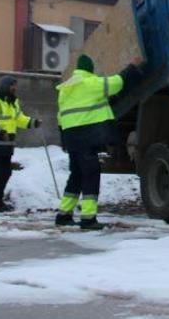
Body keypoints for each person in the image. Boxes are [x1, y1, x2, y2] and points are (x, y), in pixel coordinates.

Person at [56, 54, 143, 230]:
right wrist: (132, 66)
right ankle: (88, 218)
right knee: (91, 173)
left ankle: (64, 214)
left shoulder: (65, 89)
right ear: (89, 69)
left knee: (77, 174)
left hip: (71, 137)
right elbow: (117, 82)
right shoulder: (90, 83)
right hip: (86, 136)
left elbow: (61, 116)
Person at [0, 75, 42, 213]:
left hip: (6, 143)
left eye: (15, 85)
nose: (15, 88)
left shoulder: (13, 103)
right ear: (5, 86)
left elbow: (19, 119)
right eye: (13, 85)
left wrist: (32, 122)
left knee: (5, 172)